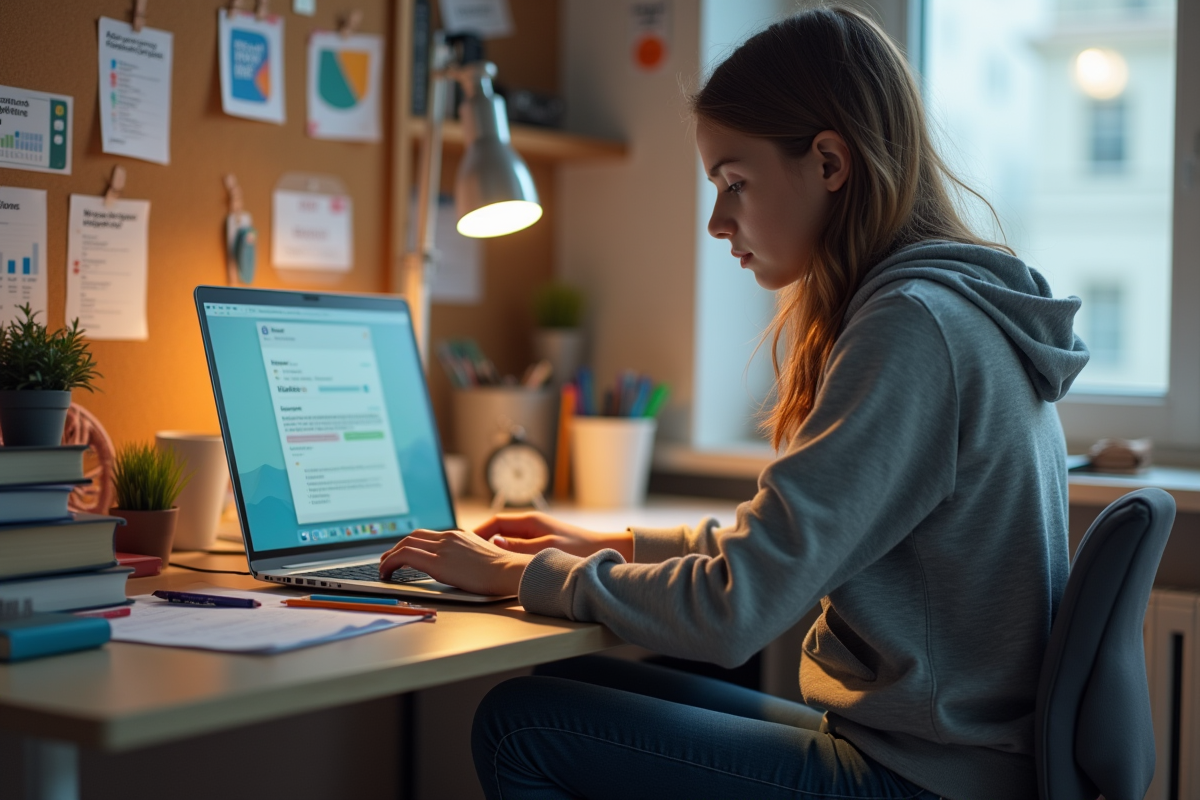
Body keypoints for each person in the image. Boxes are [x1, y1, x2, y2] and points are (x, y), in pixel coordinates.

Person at [379, 6, 1088, 799]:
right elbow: (780, 548)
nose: (719, 221)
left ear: (829, 162)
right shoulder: (947, 309)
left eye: (734, 183)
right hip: (940, 758)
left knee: (520, 724)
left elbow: (734, 611)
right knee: (583, 689)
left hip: (923, 779)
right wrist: (606, 544)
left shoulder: (913, 329)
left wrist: (522, 574)